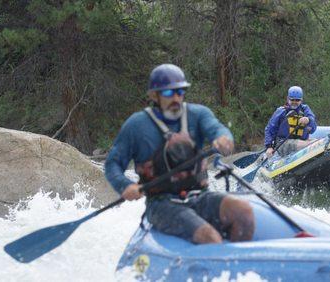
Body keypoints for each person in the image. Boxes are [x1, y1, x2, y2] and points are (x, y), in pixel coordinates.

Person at [105, 64, 255, 244]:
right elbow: (112, 164)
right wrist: (125, 186)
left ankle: (238, 266)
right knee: (209, 237)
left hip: (200, 196)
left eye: (180, 91)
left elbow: (218, 129)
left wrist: (224, 138)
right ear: (154, 95)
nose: (176, 97)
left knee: (244, 213)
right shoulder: (136, 125)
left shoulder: (198, 114)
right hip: (161, 204)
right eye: (168, 93)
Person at [264, 86, 317, 157]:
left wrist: (308, 120)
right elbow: (269, 129)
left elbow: (312, 129)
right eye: (292, 100)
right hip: (283, 143)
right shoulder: (281, 111)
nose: (294, 102)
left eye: (297, 100)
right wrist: (269, 147)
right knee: (308, 144)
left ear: (301, 100)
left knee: (316, 141)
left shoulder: (305, 110)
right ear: (287, 99)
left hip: (302, 141)